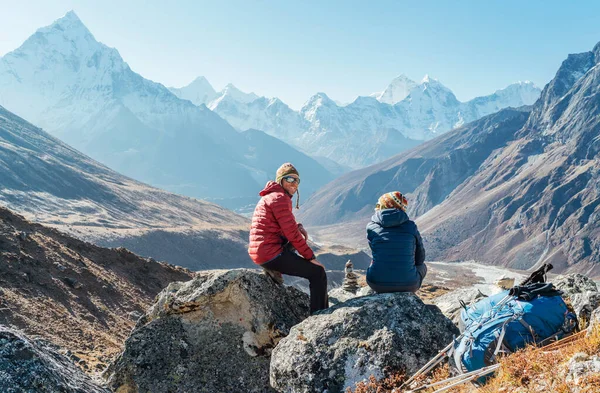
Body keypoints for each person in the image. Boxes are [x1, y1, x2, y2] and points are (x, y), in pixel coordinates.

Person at [248, 163, 328, 314]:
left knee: (297, 236)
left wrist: (298, 226)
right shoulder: (280, 198)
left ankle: (271, 269)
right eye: (289, 179)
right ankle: (320, 315)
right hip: (270, 253)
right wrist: (311, 257)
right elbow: (291, 234)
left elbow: (285, 225)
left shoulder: (271, 196)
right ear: (280, 180)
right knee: (318, 273)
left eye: (297, 180)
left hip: (262, 252)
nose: (293, 183)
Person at [366, 191, 427, 293]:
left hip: (376, 284)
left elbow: (375, 251)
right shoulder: (411, 226)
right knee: (423, 267)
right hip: (409, 285)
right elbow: (420, 258)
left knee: (374, 262)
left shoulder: (371, 227)